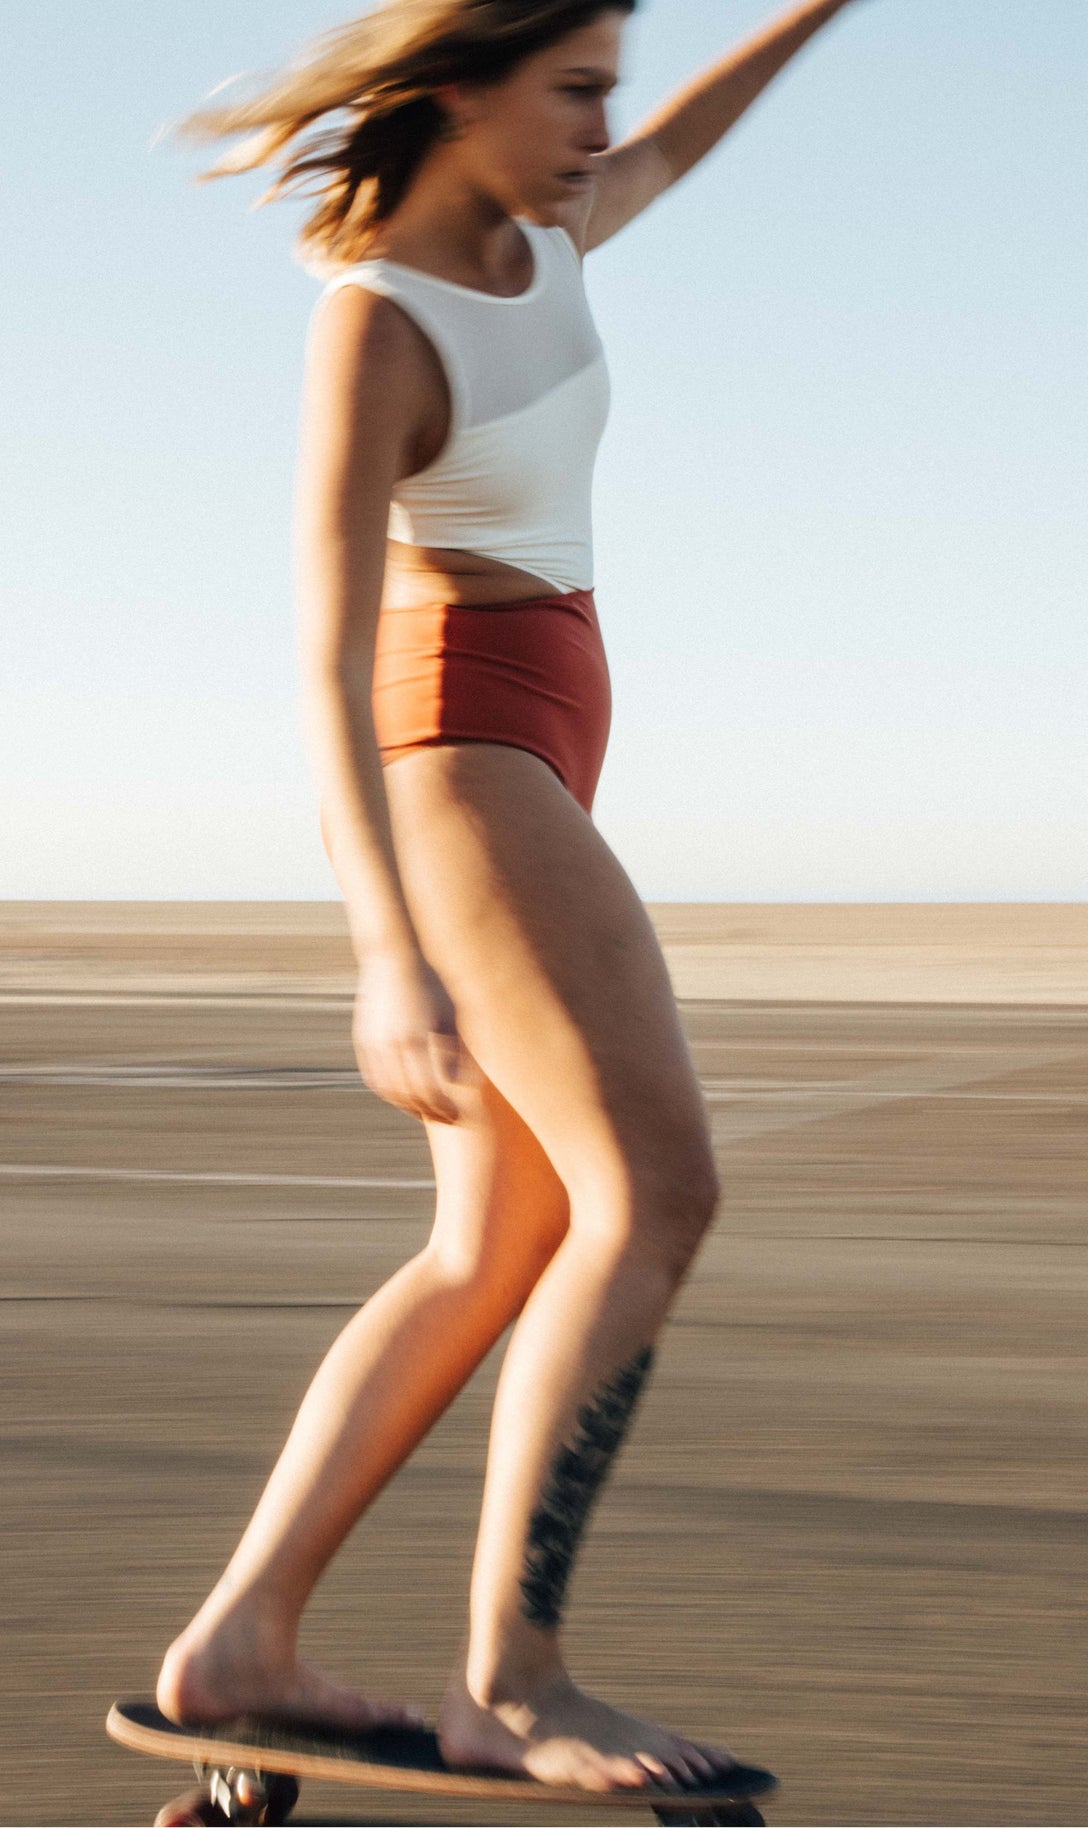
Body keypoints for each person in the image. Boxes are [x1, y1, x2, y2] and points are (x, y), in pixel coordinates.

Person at [156, 0, 860, 1799]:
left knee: (502, 1244)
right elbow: (316, 651)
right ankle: (515, 1681)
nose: (601, 127)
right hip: (458, 751)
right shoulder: (376, 321)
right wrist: (386, 949)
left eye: (607, 91)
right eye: (574, 91)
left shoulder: (545, 230)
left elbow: (686, 139)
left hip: (539, 730)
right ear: (463, 91)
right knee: (659, 1190)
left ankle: (243, 1643)